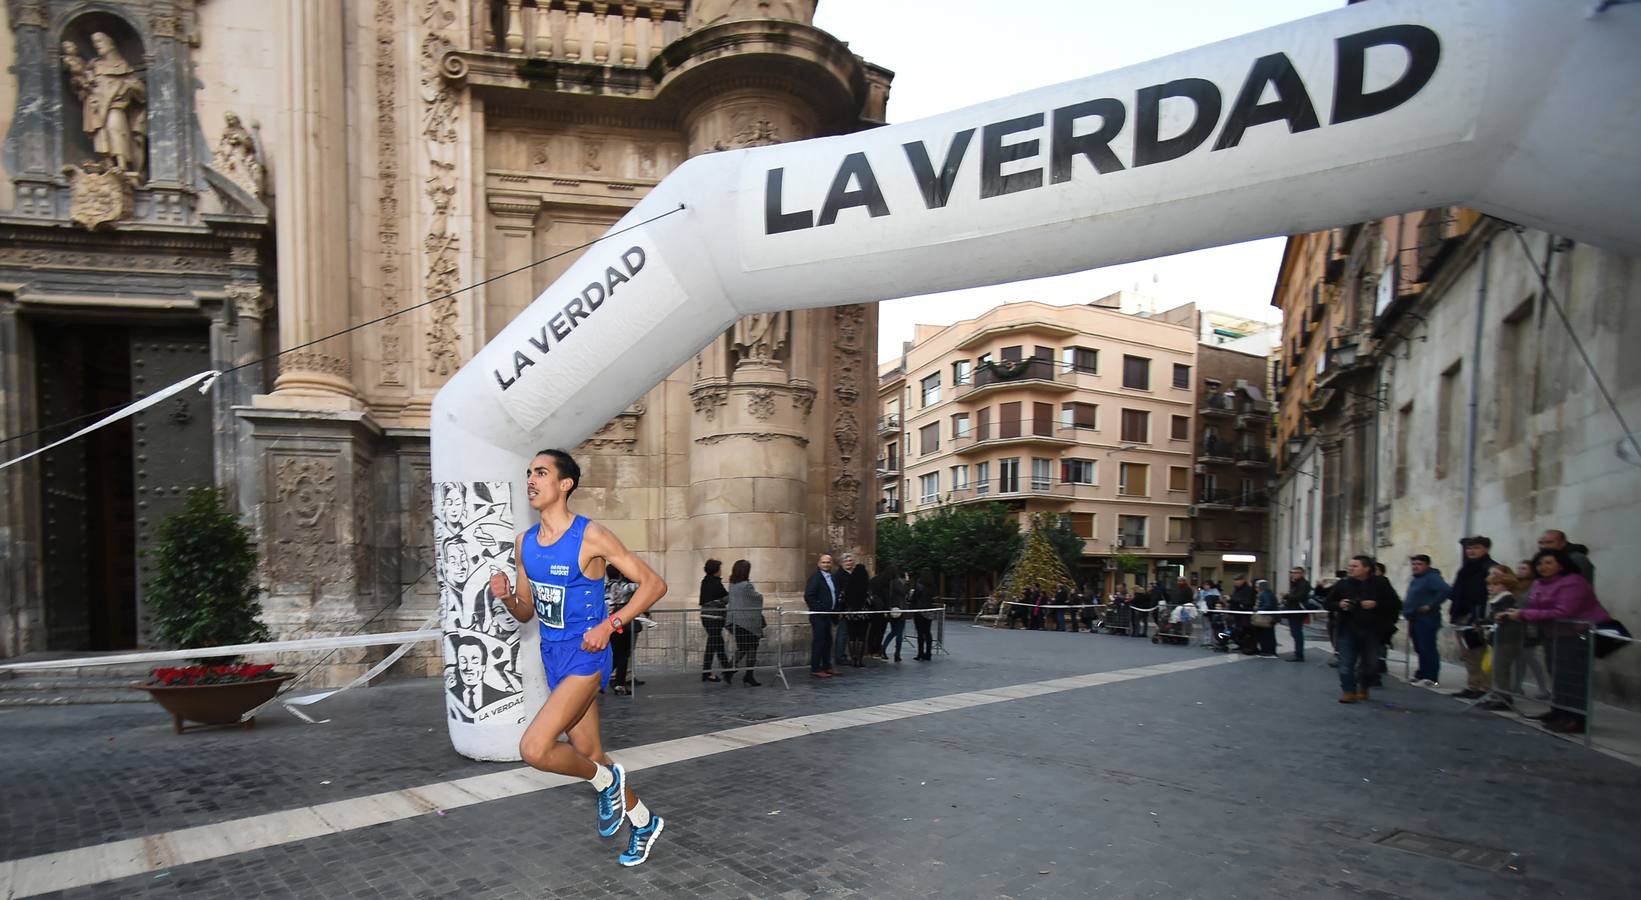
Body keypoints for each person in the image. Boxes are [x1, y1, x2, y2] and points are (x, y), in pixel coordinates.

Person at [489, 448, 666, 867]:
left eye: (541, 472)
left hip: (587, 656)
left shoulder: (591, 536)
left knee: (535, 748)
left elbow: (653, 584)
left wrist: (611, 624)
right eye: (528, 472)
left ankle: (606, 784)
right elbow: (527, 611)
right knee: (592, 757)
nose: (531, 479)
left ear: (565, 484)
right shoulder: (525, 543)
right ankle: (644, 821)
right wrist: (507, 597)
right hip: (553, 655)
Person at [1498, 548, 1611, 734]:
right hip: (1553, 636)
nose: (1543, 567)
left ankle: (1575, 718)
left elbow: (1564, 612)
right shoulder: (1540, 584)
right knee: (1557, 675)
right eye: (1540, 563)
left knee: (1573, 677)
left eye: (1549, 562)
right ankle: (1559, 711)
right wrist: (1512, 613)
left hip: (1575, 635)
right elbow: (1530, 605)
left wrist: (1525, 614)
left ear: (1561, 564)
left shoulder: (1574, 582)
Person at [1325, 555, 1400, 703]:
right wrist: (1340, 604)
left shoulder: (1381, 583)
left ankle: (1364, 687)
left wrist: (1376, 604)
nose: (1350, 569)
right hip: (1348, 629)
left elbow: (1395, 604)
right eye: (1350, 566)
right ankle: (1348, 691)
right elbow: (1327, 603)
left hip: (1372, 630)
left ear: (1366, 568)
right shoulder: (1343, 584)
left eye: (1355, 566)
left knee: (1370, 664)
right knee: (1346, 663)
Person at [1447, 536, 1499, 699]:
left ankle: (1485, 687)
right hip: (1461, 615)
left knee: (1481, 653)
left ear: (1485, 549)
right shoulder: (1465, 569)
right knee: (1468, 654)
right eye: (1469, 548)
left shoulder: (1491, 568)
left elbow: (1489, 595)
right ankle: (1473, 685)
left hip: (1478, 617)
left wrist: (1480, 616)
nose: (1471, 551)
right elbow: (1456, 592)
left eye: (1476, 547)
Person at [1404, 554, 1450, 687]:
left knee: (1427, 647)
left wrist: (1431, 605)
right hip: (1414, 618)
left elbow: (1446, 590)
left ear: (1427, 565)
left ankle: (1431, 677)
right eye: (1414, 564)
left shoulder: (1432, 577)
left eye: (1419, 564)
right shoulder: (1417, 579)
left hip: (1426, 619)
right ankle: (1422, 673)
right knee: (1420, 648)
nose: (1415, 567)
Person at [724, 559, 765, 687]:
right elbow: (756, 598)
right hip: (746, 623)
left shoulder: (732, 585)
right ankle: (733, 670)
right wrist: (760, 596)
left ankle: (742, 673)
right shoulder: (746, 585)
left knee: (746, 647)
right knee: (748, 647)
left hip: (735, 621)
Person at [802, 554, 841, 678]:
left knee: (828, 641)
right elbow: (809, 595)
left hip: (829, 614)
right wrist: (820, 607)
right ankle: (815, 667)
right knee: (819, 641)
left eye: (828, 562)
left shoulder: (832, 577)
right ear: (819, 564)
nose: (826, 564)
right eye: (823, 562)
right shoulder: (815, 578)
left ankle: (827, 665)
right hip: (819, 615)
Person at [605, 564, 641, 696]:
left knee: (614, 654)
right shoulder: (624, 587)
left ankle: (601, 678)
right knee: (624, 655)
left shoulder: (604, 588)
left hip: (609, 625)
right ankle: (619, 684)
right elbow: (641, 585)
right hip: (623, 624)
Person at [698, 559, 732, 682]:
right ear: (716, 570)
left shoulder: (705, 581)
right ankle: (723, 670)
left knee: (716, 644)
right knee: (715, 644)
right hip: (714, 618)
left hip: (706, 617)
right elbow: (726, 598)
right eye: (720, 568)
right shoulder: (715, 583)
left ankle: (725, 669)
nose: (721, 571)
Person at [839, 553, 871, 665]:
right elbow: (870, 599)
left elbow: (842, 598)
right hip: (864, 614)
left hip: (850, 613)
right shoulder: (866, 586)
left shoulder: (849, 585)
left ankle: (853, 659)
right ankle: (860, 660)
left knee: (851, 636)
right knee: (861, 637)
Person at [875, 564, 910, 661]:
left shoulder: (885, 583)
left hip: (891, 609)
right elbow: (904, 592)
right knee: (899, 632)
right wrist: (907, 582)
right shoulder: (896, 582)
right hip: (899, 609)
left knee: (893, 631)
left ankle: (883, 649)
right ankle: (897, 653)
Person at [1282, 567, 1312, 662]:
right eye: (1292, 572)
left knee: (1297, 633)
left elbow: (1299, 597)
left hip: (1297, 611)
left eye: (1296, 572)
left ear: (1302, 574)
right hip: (1292, 611)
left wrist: (1287, 596)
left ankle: (1299, 654)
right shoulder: (1295, 583)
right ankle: (1298, 653)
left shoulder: (1304, 584)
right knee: (1294, 633)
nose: (1293, 574)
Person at [909, 572, 936, 661]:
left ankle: (920, 653)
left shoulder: (919, 585)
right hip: (929, 610)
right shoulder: (932, 586)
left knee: (920, 633)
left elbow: (914, 597)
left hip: (919, 610)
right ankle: (928, 653)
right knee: (928, 632)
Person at [1252, 579, 1279, 657]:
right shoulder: (1267, 593)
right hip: (1269, 617)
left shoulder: (1265, 594)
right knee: (1266, 634)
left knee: (1267, 635)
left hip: (1268, 618)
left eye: (1257, 587)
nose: (1256, 588)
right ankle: (1267, 651)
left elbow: (1268, 605)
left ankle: (1268, 651)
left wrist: (1258, 610)